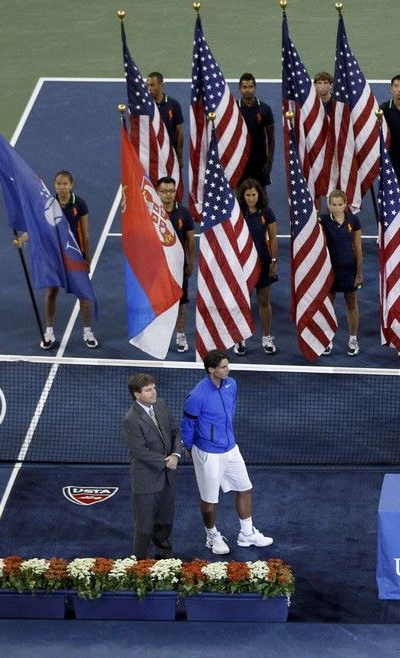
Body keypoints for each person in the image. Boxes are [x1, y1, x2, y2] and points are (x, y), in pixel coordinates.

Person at [182, 349, 273, 554]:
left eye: (227, 365)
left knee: (245, 488)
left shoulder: (231, 384)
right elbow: (187, 424)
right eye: (223, 367)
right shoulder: (196, 396)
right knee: (209, 499)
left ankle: (246, 534)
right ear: (211, 369)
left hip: (231, 448)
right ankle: (211, 535)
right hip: (208, 452)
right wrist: (187, 446)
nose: (228, 369)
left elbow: (230, 408)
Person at [13, 170, 98, 349]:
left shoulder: (80, 204)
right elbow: (37, 229)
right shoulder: (49, 204)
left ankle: (87, 331)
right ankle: (49, 331)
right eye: (58, 184)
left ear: (71, 185)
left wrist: (86, 258)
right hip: (55, 257)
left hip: (74, 256)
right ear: (54, 186)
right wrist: (21, 240)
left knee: (83, 293)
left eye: (65, 184)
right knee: (51, 292)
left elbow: (86, 234)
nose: (61, 187)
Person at [122, 373, 181, 560]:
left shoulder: (161, 404)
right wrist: (167, 461)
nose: (154, 392)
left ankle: (164, 558)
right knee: (145, 526)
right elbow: (140, 451)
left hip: (167, 478)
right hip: (146, 479)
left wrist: (176, 454)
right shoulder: (130, 420)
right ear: (137, 394)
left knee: (165, 521)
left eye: (154, 387)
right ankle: (139, 562)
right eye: (148, 390)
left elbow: (175, 431)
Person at [234, 179, 278, 356]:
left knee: (263, 301)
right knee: (242, 303)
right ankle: (240, 339)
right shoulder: (236, 213)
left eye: (254, 195)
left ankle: (267, 337)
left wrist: (274, 261)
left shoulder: (267, 212)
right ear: (242, 196)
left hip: (263, 262)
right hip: (242, 264)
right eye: (247, 195)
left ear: (259, 195)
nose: (251, 198)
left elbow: (273, 238)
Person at [320, 189, 363, 356]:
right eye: (333, 204)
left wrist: (359, 271)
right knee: (328, 306)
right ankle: (326, 338)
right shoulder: (323, 221)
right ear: (329, 206)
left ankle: (353, 339)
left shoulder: (354, 220)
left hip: (349, 270)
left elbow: (358, 247)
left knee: (351, 304)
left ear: (345, 204)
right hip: (330, 271)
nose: (337, 208)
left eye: (340, 204)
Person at [157, 176, 196, 353]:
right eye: (164, 191)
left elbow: (190, 239)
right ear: (158, 192)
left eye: (171, 191)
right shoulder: (152, 212)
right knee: (160, 302)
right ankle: (162, 335)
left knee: (181, 303)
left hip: (179, 266)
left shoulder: (184, 213)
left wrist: (191, 262)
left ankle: (180, 335)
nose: (168, 195)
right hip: (158, 267)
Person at [237, 73, 275, 189]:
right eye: (244, 87)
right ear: (240, 89)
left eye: (250, 87)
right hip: (239, 160)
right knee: (239, 193)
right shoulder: (233, 109)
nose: (247, 90)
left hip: (259, 160)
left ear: (255, 88)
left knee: (260, 193)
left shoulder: (265, 109)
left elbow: (271, 138)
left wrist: (269, 161)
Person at [145, 72, 184, 166]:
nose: (149, 89)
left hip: (170, 154)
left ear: (161, 85)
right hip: (150, 155)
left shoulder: (174, 104)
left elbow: (179, 131)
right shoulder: (144, 106)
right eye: (147, 85)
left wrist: (179, 156)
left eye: (152, 85)